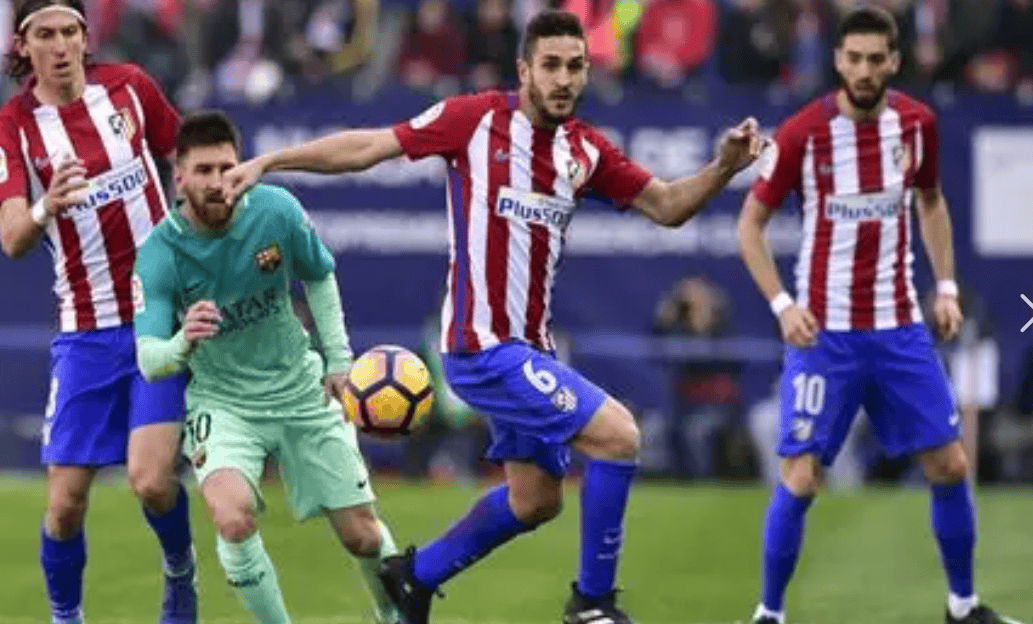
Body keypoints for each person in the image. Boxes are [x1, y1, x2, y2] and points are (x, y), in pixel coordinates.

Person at [222, 11, 762, 624]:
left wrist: (723, 167)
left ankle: (414, 578)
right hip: (482, 348)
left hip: (531, 350)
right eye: (551, 65)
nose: (563, 79)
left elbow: (665, 205)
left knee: (536, 500)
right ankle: (591, 604)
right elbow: (370, 146)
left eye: (576, 67)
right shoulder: (475, 120)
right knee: (619, 437)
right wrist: (270, 162)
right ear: (524, 69)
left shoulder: (585, 150)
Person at [736, 7, 1019, 624]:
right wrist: (783, 305)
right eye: (854, 58)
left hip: (898, 330)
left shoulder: (916, 124)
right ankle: (768, 614)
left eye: (875, 59)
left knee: (951, 464)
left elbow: (932, 202)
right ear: (838, 61)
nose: (864, 70)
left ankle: (963, 606)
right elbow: (750, 226)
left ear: (894, 61)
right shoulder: (803, 134)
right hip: (824, 335)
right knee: (800, 476)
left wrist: (946, 287)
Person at [132, 110, 401, 624]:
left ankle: (398, 616)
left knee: (363, 536)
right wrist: (182, 342)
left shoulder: (275, 210)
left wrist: (339, 360)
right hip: (224, 405)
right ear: (179, 177)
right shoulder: (159, 254)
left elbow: (319, 275)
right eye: (204, 170)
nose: (218, 182)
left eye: (226, 167)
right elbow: (149, 361)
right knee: (232, 518)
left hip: (301, 391)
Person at [0, 2, 196, 623]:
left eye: (69, 32)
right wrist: (46, 207)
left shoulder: (130, 88)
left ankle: (180, 573)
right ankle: (67, 618)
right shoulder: (14, 126)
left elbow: (188, 159)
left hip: (158, 318)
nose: (60, 46)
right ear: (23, 45)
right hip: (85, 330)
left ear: (86, 38)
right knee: (64, 505)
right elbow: (11, 237)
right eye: (45, 35)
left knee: (151, 481)